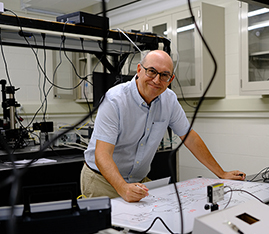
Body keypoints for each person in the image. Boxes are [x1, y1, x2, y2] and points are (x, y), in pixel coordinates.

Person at [81, 50, 246, 203]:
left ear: (171, 79)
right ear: (139, 70)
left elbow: (190, 138)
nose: (156, 80)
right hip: (101, 180)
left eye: (164, 75)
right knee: (110, 231)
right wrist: (122, 188)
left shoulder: (169, 100)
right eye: (151, 71)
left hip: (137, 181)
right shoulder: (114, 100)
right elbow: (102, 154)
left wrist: (221, 174)